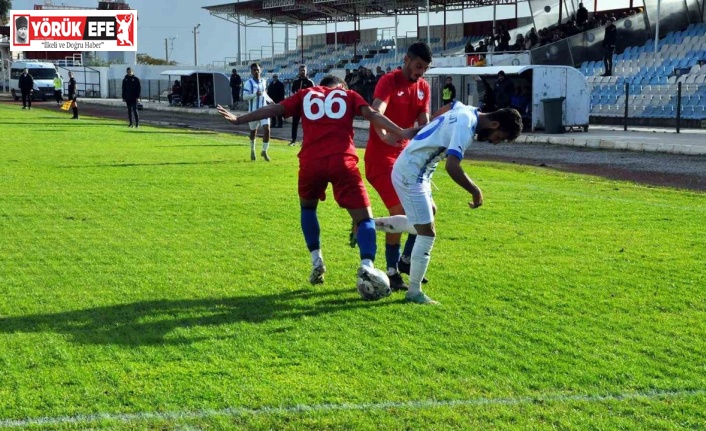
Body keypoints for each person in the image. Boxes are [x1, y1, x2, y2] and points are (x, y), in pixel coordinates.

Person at [216, 75, 409, 290]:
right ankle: (367, 266)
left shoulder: (305, 94)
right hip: (342, 160)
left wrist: (239, 119)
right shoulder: (349, 95)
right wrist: (399, 131)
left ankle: (317, 260)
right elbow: (372, 114)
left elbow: (276, 109)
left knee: (308, 208)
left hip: (311, 162)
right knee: (365, 219)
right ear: (341, 86)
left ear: (320, 86)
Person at [374, 101, 523, 304]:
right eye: (500, 138)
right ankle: (414, 292)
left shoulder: (467, 110)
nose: (495, 142)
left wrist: (413, 132)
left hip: (416, 170)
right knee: (427, 232)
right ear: (495, 124)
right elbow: (453, 166)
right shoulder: (466, 126)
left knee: (427, 216)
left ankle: (369, 224)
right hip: (412, 172)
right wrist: (475, 190)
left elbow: (447, 108)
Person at [363, 41, 433, 292]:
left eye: (424, 68)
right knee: (401, 209)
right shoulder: (389, 81)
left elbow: (424, 121)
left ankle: (405, 260)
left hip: (405, 160)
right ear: (406, 60)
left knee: (429, 209)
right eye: (417, 66)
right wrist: (385, 135)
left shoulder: (424, 87)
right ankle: (391, 271)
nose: (420, 73)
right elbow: (375, 112)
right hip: (380, 160)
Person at [242, 63, 271, 161]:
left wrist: (271, 101)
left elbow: (264, 94)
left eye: (257, 70)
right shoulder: (248, 83)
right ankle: (252, 150)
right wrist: (254, 94)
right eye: (254, 70)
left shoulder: (264, 81)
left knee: (267, 129)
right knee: (253, 132)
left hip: (264, 110)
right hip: (253, 112)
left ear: (261, 70)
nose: (256, 72)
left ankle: (264, 151)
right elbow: (244, 97)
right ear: (251, 72)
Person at [289, 64, 314, 146]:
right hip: (297, 106)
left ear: (306, 72)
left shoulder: (310, 82)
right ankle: (293, 140)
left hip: (306, 106)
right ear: (299, 71)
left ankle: (305, 141)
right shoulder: (296, 82)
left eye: (304, 70)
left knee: (306, 124)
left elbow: (313, 94)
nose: (302, 72)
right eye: (301, 70)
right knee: (295, 123)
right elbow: (293, 92)